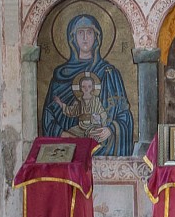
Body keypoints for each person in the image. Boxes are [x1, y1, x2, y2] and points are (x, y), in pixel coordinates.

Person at [41, 11, 135, 155]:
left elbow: (124, 114)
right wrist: (67, 136)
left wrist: (110, 129)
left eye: (89, 32)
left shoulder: (109, 73)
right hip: (69, 149)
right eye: (80, 33)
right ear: (72, 38)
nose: (85, 38)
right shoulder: (61, 74)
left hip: (103, 148)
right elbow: (49, 115)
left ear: (97, 37)